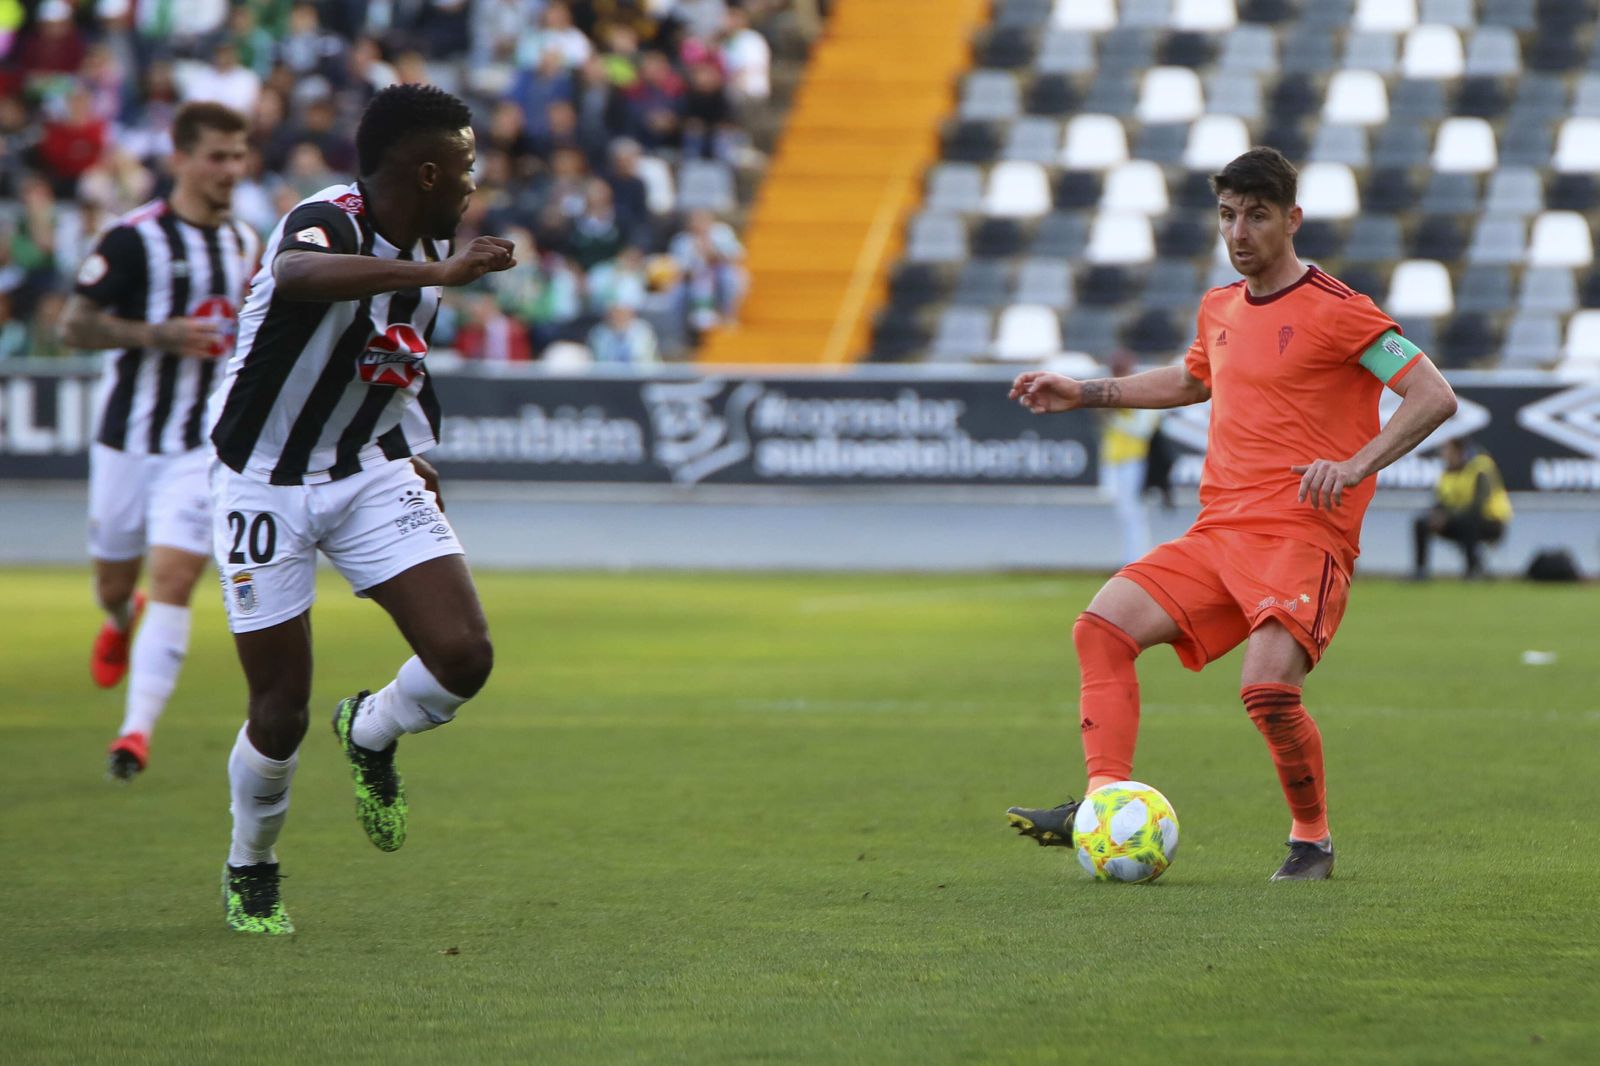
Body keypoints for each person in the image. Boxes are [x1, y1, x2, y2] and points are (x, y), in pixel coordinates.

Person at [1004, 148, 1458, 881]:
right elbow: (1192, 381)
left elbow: (1433, 395)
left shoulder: (1343, 311)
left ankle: (1311, 840)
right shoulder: (1219, 306)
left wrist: (1353, 466)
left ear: (1292, 219)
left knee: (1268, 692)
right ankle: (1103, 800)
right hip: (1219, 535)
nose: (1238, 232)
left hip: (1303, 535)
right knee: (1101, 629)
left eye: (1256, 215)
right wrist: (1084, 392)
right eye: (1226, 215)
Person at [205, 83, 516, 935]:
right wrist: (439, 272)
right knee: (279, 709)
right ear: (427, 172)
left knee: (465, 656)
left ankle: (371, 730)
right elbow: (296, 275)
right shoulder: (329, 219)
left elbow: (390, 354)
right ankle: (251, 866)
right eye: (465, 164)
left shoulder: (436, 242)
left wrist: (408, 448)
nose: (475, 180)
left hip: (365, 469)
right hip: (262, 481)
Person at [59, 101, 256, 781]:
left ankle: (134, 734)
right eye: (218, 156)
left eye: (239, 155)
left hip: (200, 447)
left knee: (175, 577)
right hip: (128, 440)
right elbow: (73, 326)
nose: (231, 169)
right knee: (114, 582)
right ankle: (120, 618)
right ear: (181, 159)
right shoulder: (132, 239)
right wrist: (155, 334)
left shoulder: (246, 243)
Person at [1413, 438, 1511, 580]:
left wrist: (1447, 518)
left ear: (1459, 451)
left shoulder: (1479, 468)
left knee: (1468, 522)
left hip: (1491, 521)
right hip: (1459, 519)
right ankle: (1421, 571)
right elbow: (1442, 501)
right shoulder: (1447, 473)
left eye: (1447, 450)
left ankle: (1473, 571)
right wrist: (1436, 515)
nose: (1443, 455)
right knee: (1422, 522)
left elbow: (1477, 506)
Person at [1097, 350, 1160, 565]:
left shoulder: (1143, 391)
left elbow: (1143, 429)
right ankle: (1130, 558)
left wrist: (1115, 419)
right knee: (1123, 512)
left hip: (1134, 459)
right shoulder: (1111, 391)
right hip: (1113, 459)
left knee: (1133, 512)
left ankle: (1137, 559)